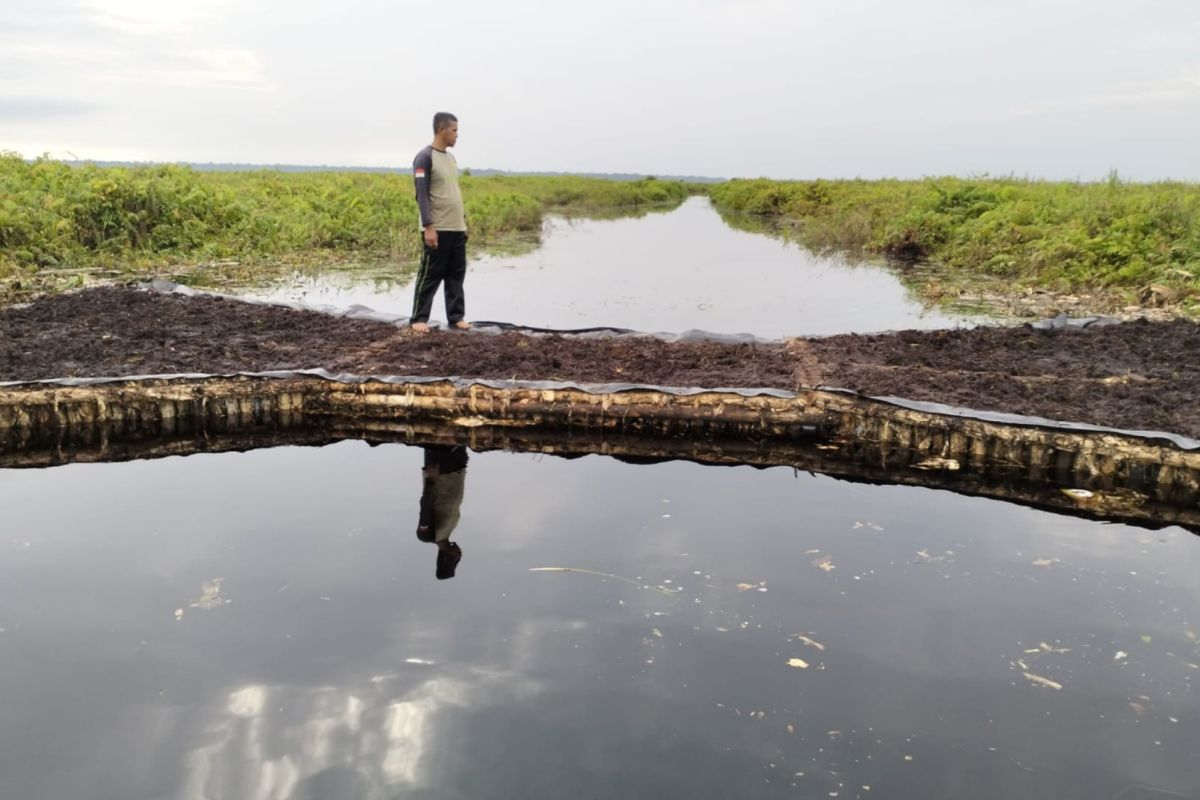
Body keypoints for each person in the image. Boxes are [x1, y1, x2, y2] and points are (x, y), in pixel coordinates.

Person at [410, 112, 470, 334]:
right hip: (437, 228)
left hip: (456, 228)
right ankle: (419, 318)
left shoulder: (451, 159)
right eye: (454, 130)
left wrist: (463, 224)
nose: (456, 135)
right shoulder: (425, 157)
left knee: (456, 275)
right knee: (430, 274)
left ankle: (456, 317)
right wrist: (428, 226)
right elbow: (422, 194)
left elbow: (453, 193)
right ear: (442, 130)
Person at [416, 444, 469, 579]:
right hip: (457, 468)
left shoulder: (428, 536)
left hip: (440, 471)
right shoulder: (448, 530)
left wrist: (430, 480)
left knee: (439, 433)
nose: (459, 554)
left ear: (446, 559)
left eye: (456, 558)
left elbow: (425, 507)